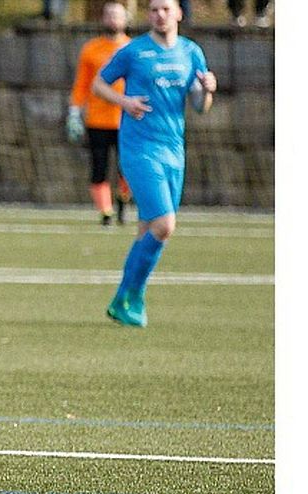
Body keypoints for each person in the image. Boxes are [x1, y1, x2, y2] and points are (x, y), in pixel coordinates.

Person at [91, 0, 216, 327]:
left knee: (149, 228)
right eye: (153, 9)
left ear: (178, 14)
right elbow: (99, 84)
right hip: (139, 148)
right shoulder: (134, 52)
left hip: (174, 149)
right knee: (165, 224)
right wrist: (125, 101)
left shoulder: (191, 53)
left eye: (165, 8)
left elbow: (200, 107)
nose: (159, 14)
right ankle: (128, 296)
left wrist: (207, 92)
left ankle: (127, 299)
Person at [67, 1, 132, 227]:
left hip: (127, 119)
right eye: (109, 15)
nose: (113, 19)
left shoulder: (133, 49)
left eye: (117, 15)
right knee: (99, 167)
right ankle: (106, 212)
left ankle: (123, 201)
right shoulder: (91, 49)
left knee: (129, 168)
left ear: (126, 19)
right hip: (97, 119)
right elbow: (82, 84)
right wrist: (74, 111)